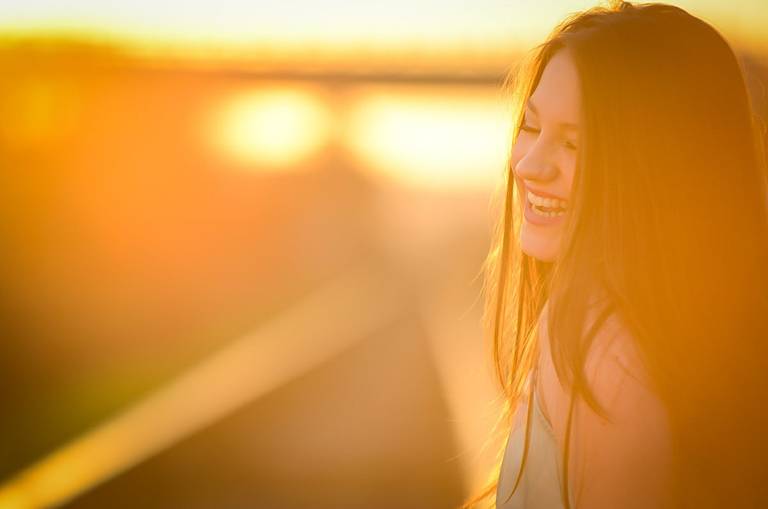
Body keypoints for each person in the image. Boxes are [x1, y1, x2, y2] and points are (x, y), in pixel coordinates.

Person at [464, 2, 768, 508]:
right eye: (532, 127)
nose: (530, 165)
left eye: (574, 144)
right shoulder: (664, 333)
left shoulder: (601, 347)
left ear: (657, 169)